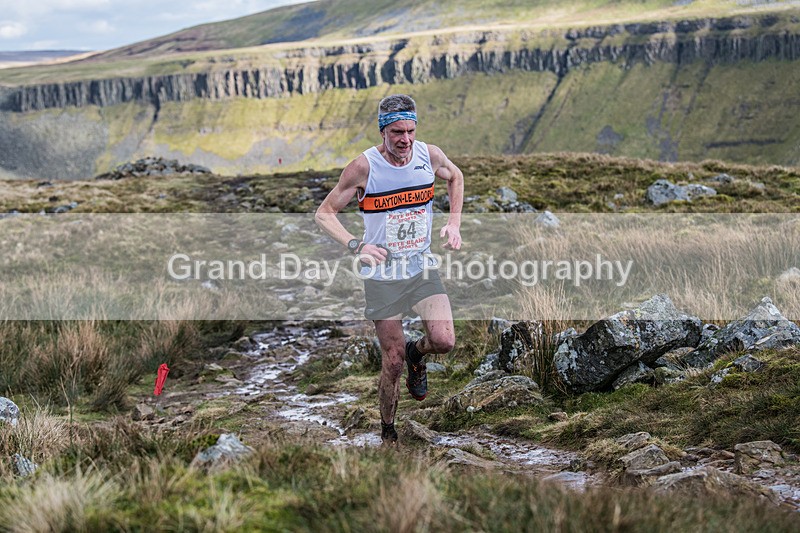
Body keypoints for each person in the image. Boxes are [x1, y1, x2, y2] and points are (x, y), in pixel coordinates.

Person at [315, 94, 464, 444]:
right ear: (383, 130)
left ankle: (419, 353)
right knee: (393, 361)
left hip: (420, 266)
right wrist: (357, 245)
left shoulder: (429, 155)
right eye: (398, 131)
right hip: (382, 275)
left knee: (443, 340)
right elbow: (324, 213)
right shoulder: (363, 168)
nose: (406, 139)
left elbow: (455, 176)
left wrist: (454, 222)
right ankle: (388, 432)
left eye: (411, 130)